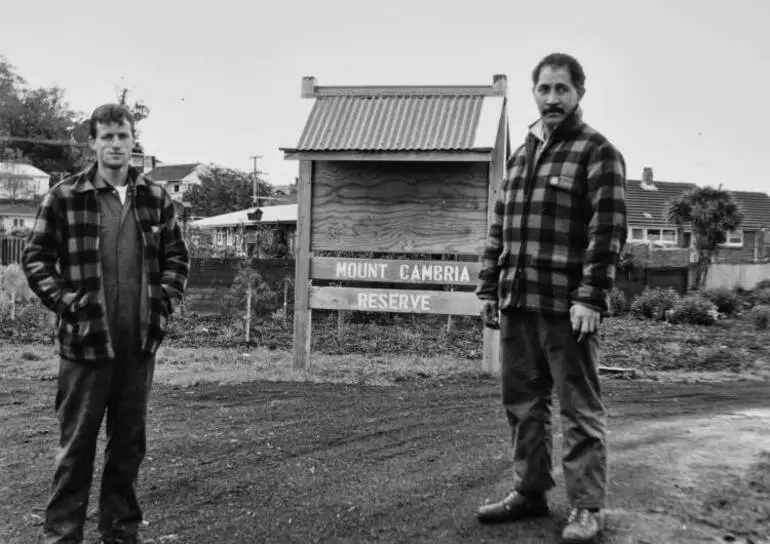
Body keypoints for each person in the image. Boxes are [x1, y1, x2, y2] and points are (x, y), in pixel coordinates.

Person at [475, 53, 627, 543]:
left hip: (568, 309)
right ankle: (530, 492)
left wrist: (591, 297)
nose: (553, 98)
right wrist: (488, 287)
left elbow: (608, 232)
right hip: (518, 301)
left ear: (579, 92)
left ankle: (587, 507)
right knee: (522, 404)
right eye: (545, 89)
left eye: (562, 89)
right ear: (534, 93)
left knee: (579, 408)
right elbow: (499, 229)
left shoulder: (597, 152)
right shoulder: (520, 158)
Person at [22, 103, 190, 544]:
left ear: (134, 142)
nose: (116, 144)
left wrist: (164, 303)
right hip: (86, 345)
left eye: (123, 136)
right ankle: (62, 536)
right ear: (92, 142)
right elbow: (35, 257)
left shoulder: (156, 197)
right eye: (107, 136)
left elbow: (177, 258)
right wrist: (67, 303)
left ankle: (121, 532)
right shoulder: (64, 196)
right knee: (76, 448)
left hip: (138, 346)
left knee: (128, 447)